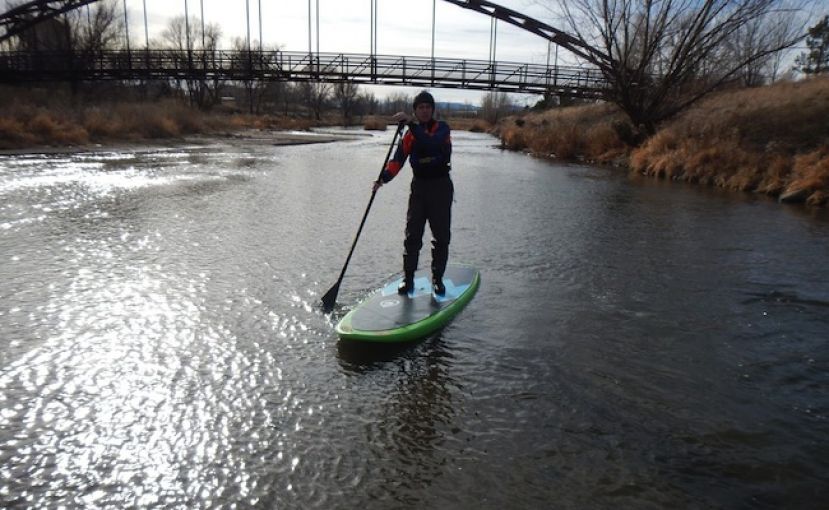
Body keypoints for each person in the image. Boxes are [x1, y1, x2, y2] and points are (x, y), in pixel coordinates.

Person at [373, 90, 453, 296]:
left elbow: (431, 143)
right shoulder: (410, 135)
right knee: (412, 236)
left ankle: (437, 279)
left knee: (441, 237)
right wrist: (383, 179)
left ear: (432, 110)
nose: (425, 111)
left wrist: (411, 124)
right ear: (415, 111)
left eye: (428, 107)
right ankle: (408, 279)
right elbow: (397, 161)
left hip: (441, 188)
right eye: (420, 108)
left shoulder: (442, 129)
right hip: (419, 188)